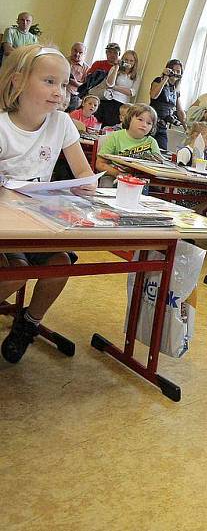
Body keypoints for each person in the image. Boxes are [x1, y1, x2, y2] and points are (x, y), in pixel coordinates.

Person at [0, 45, 97, 364]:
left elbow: (83, 171)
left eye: (65, 84)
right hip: (7, 225)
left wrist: (87, 182)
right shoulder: (2, 126)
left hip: (40, 219)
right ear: (18, 81)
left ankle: (29, 323)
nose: (59, 93)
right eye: (49, 82)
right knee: (15, 273)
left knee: (59, 264)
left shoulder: (62, 123)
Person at [95, 103, 160, 178]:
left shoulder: (152, 142)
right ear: (129, 119)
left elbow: (157, 166)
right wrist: (119, 174)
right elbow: (100, 164)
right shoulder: (115, 136)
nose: (144, 125)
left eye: (149, 123)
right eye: (140, 119)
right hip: (114, 176)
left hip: (141, 179)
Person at [149, 58, 185, 151]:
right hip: (152, 122)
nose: (175, 73)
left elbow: (180, 111)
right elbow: (153, 95)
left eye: (178, 71)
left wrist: (186, 127)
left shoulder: (176, 90)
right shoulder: (159, 80)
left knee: (162, 150)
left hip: (163, 125)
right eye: (173, 70)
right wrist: (165, 78)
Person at [97, 49, 139, 128]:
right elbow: (109, 83)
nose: (128, 63)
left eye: (131, 61)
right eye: (126, 60)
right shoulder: (115, 68)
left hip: (122, 104)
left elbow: (132, 92)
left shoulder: (135, 76)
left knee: (112, 127)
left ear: (134, 63)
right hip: (109, 99)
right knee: (100, 124)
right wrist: (117, 67)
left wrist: (115, 87)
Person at [66, 42, 89, 106]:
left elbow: (86, 87)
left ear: (84, 54)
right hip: (60, 91)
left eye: (80, 52)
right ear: (71, 50)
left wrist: (76, 83)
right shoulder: (63, 61)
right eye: (75, 51)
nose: (77, 54)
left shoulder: (86, 68)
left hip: (74, 96)